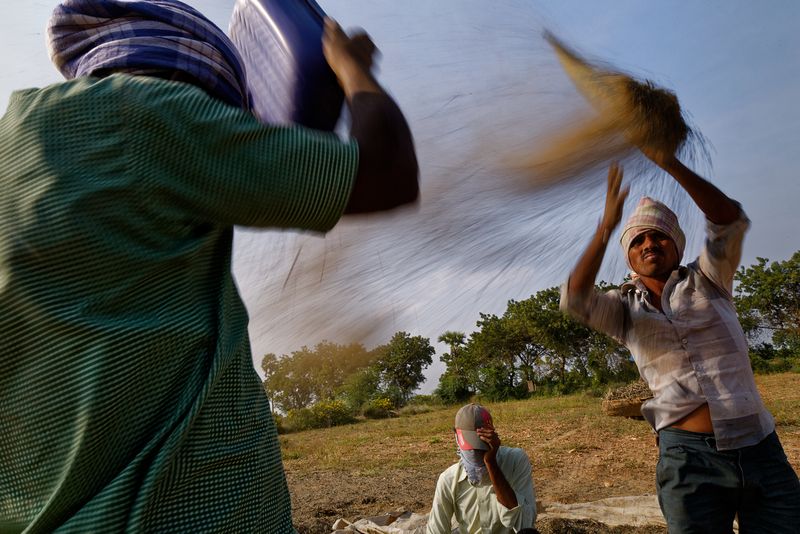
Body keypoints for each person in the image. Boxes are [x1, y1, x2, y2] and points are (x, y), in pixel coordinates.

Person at [0, 0, 417, 532]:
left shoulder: (17, 147)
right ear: (188, 85)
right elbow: (389, 171)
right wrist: (349, 66)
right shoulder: (146, 116)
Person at [560, 155, 800, 532]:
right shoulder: (622, 309)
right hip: (687, 459)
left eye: (659, 235)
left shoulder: (709, 278)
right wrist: (606, 228)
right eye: (638, 239)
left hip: (759, 447)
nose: (649, 243)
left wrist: (668, 161)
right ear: (629, 257)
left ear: (676, 245)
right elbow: (575, 297)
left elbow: (729, 219)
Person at [426, 404, 536, 534]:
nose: (476, 453)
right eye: (471, 449)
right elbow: (436, 530)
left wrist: (491, 462)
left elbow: (524, 523)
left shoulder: (515, 460)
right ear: (456, 436)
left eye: (480, 447)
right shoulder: (449, 479)